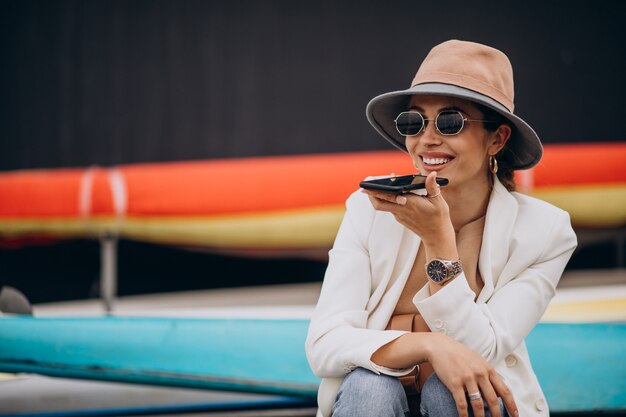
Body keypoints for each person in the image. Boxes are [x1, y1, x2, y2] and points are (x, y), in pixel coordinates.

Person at [305, 39, 577, 417]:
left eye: (451, 121)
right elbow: (323, 345)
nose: (427, 138)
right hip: (372, 401)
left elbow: (483, 348)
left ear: (496, 139)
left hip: (467, 402)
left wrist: (438, 241)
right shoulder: (369, 209)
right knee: (370, 388)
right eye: (413, 121)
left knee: (452, 393)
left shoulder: (545, 232)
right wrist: (431, 347)